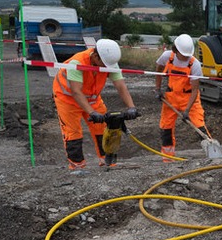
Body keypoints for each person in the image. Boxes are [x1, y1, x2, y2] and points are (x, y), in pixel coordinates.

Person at [52, 38, 139, 171]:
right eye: (104, 64)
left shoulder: (109, 63)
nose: (106, 68)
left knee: (102, 129)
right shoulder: (77, 63)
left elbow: (121, 86)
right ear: (95, 56)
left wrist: (131, 107)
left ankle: (106, 161)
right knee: (73, 132)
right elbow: (76, 92)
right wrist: (92, 112)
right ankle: (77, 166)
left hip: (93, 99)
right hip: (67, 99)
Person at [154, 33, 210, 161]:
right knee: (165, 128)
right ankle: (168, 159)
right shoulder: (167, 57)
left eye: (188, 55)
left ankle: (212, 154)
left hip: (190, 99)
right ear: (176, 50)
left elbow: (195, 90)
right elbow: (158, 71)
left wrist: (187, 111)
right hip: (171, 98)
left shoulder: (195, 64)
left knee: (199, 126)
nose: (186, 57)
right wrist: (157, 89)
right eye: (183, 55)